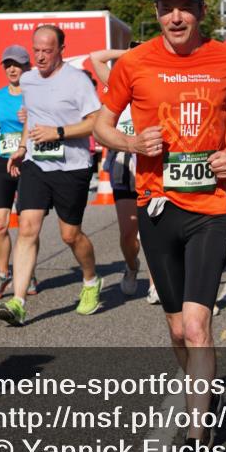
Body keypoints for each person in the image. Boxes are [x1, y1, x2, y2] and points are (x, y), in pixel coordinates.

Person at [93, 0, 226, 452]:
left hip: (209, 207)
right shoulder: (136, 61)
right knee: (175, 330)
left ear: (201, 12)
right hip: (156, 207)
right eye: (167, 7)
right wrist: (128, 145)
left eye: (185, 5)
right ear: (158, 13)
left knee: (196, 325)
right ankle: (201, 387)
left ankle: (194, 442)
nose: (176, 15)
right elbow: (102, 122)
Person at [0, 25, 103, 325]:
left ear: (61, 51)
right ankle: (17, 301)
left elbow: (94, 122)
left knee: (70, 235)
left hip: (73, 166)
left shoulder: (77, 81)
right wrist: (21, 146)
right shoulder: (29, 79)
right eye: (37, 51)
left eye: (47, 51)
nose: (40, 57)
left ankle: (91, 280)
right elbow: (32, 114)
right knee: (27, 228)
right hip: (36, 164)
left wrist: (58, 132)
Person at [86, 45, 158, 303]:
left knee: (153, 228)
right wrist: (127, 53)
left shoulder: (158, 83)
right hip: (123, 163)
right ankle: (131, 266)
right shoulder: (119, 83)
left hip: (151, 162)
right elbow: (95, 57)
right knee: (129, 233)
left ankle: (155, 283)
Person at [0, 45, 37, 300]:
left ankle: (27, 271)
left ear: (28, 67)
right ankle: (3, 274)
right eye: (8, 64)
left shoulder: (38, 95)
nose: (13, 68)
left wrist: (33, 117)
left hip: (30, 162)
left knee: (27, 225)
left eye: (18, 64)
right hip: (2, 162)